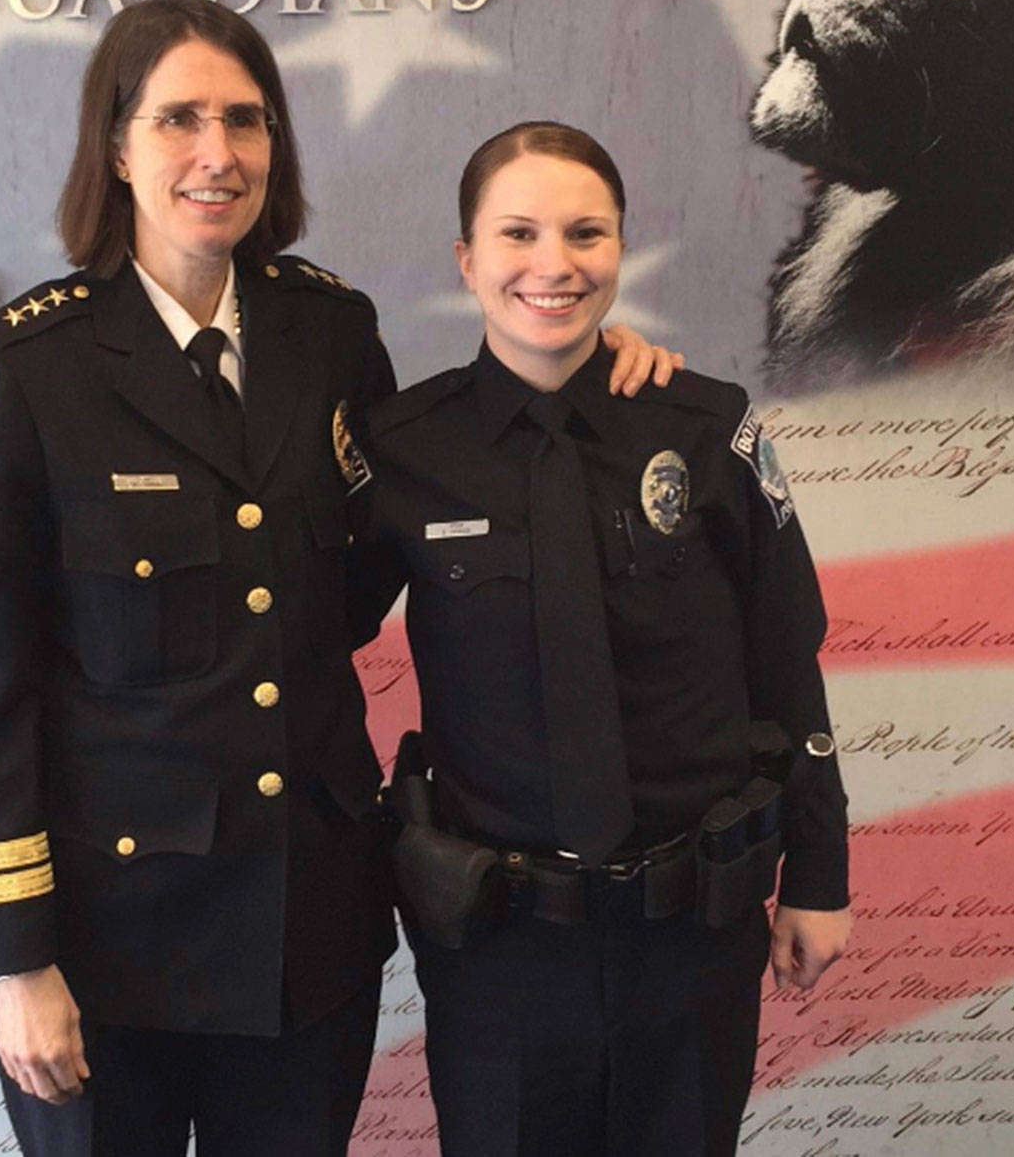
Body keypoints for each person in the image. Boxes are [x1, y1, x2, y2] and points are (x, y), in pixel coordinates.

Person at [0, 2, 675, 1157]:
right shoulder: (20, 370)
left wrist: (581, 367)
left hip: (304, 924)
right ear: (114, 146)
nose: (216, 152)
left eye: (245, 119)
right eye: (177, 118)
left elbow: (405, 524)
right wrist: (12, 959)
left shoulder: (328, 334)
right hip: (105, 941)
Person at [352, 121, 851, 1156]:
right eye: (518, 233)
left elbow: (783, 662)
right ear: (466, 258)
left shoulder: (706, 429)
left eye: (585, 233)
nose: (554, 264)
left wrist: (818, 873)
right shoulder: (402, 449)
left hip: (692, 933)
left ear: (620, 246)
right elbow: (308, 640)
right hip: (498, 947)